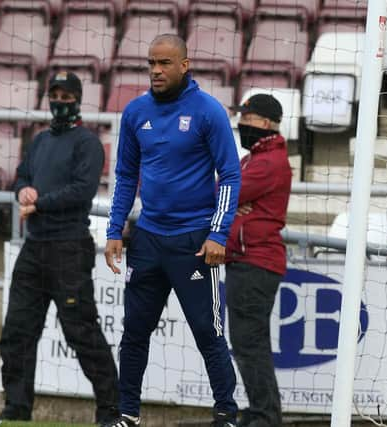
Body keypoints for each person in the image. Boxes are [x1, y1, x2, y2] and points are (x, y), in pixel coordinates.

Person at [104, 34, 242, 427]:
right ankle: (127, 413)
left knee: (207, 331)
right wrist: (116, 229)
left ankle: (226, 415)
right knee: (134, 331)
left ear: (185, 65)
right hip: (147, 238)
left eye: (164, 63)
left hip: (194, 240)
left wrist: (218, 234)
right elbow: (126, 174)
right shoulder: (135, 113)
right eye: (151, 63)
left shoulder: (208, 111)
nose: (155, 71)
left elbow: (230, 175)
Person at [0, 71, 120, 426]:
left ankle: (112, 410)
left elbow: (82, 191)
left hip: (69, 248)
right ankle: (16, 410)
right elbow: (21, 175)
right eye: (56, 95)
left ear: (79, 100)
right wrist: (22, 191)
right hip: (34, 248)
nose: (60, 102)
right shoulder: (39, 141)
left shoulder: (88, 144)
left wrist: (41, 203)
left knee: (81, 332)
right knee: (17, 332)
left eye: (67, 96)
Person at [225, 94, 292, 427]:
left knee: (248, 343)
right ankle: (262, 412)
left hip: (255, 262)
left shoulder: (267, 162)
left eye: (247, 118)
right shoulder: (256, 158)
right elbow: (228, 196)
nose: (242, 124)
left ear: (266, 123)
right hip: (246, 259)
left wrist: (232, 203)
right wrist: (234, 204)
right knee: (249, 343)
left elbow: (223, 194)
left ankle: (265, 416)